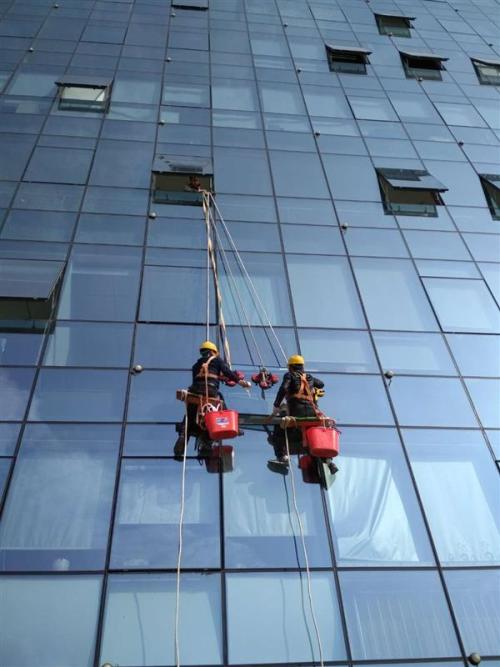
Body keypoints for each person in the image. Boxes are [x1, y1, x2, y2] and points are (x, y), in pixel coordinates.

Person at [174, 341, 251, 458]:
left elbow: (199, 378)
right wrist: (241, 382)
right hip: (210, 391)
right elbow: (227, 372)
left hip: (194, 392)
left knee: (189, 416)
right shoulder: (217, 360)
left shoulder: (196, 365)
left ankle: (182, 437)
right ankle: (220, 431)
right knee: (218, 405)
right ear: (213, 352)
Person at [268, 355, 338, 474]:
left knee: (278, 429)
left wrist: (276, 405)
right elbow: (321, 384)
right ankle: (329, 461)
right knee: (314, 438)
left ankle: (281, 457)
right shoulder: (309, 376)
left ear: (290, 367)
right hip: (311, 412)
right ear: (302, 366)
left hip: (296, 412)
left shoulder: (289, 375)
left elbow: (284, 388)